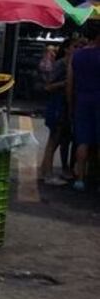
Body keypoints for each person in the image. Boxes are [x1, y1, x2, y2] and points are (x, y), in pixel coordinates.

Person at [67, 27, 100, 192]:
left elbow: (70, 82)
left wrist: (70, 103)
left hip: (82, 100)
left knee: (82, 141)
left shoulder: (78, 55)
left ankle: (80, 179)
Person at [41, 39, 76, 185]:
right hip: (57, 105)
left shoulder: (70, 63)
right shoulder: (61, 64)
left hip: (62, 106)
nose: (79, 48)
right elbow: (48, 86)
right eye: (76, 46)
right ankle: (48, 175)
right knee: (53, 140)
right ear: (67, 49)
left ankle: (45, 170)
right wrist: (65, 83)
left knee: (58, 139)